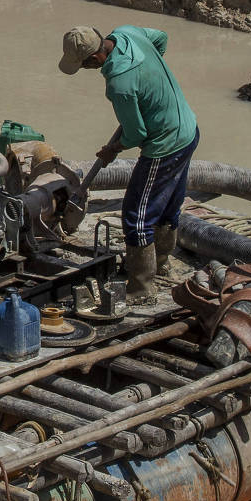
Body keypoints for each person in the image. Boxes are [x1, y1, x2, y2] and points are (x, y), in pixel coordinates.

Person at [60, 24, 199, 303]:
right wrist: (152, 73)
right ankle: (160, 264)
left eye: (84, 65)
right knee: (169, 205)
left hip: (165, 146)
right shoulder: (128, 33)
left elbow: (137, 133)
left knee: (136, 216)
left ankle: (141, 288)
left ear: (95, 59)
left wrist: (114, 148)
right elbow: (161, 36)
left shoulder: (119, 84)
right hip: (189, 130)